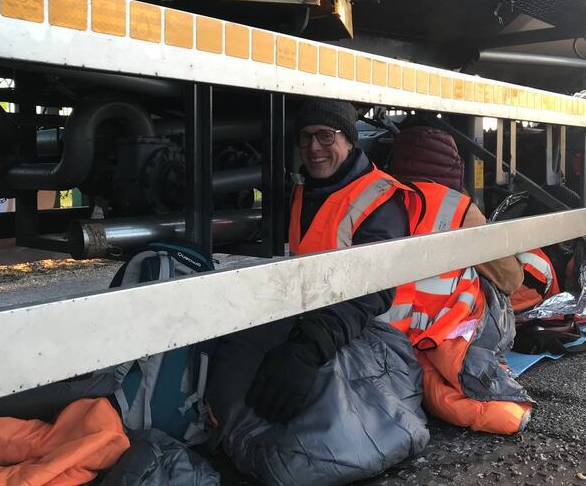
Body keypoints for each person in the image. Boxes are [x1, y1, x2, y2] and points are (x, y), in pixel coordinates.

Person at [204, 99, 429, 486]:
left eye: (326, 136)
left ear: (349, 139)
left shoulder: (380, 199)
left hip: (372, 334)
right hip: (316, 323)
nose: (313, 147)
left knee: (322, 426)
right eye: (306, 137)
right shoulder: (304, 192)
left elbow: (372, 291)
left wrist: (309, 348)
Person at [384, 125, 533, 434]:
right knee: (492, 285)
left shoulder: (377, 201)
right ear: (453, 167)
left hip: (391, 336)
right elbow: (510, 279)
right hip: (449, 338)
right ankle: (498, 411)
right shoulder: (458, 208)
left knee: (428, 384)